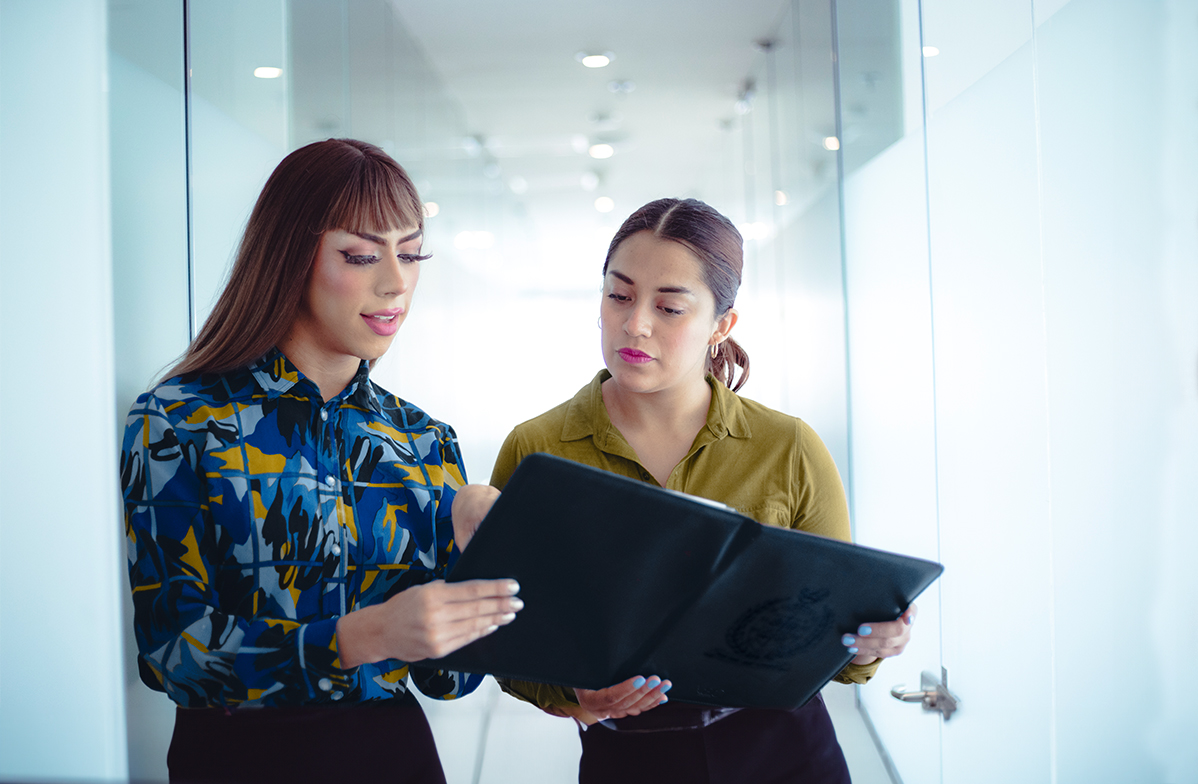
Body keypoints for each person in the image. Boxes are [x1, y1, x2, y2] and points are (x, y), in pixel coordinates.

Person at [454, 198, 916, 783]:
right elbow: (503, 639)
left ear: (722, 324)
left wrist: (874, 642)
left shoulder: (789, 447)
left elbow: (840, 649)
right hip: (628, 758)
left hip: (783, 753)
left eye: (669, 307)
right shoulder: (539, 449)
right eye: (618, 296)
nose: (635, 323)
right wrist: (573, 698)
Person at [120, 138, 520, 783]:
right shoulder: (180, 421)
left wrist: (484, 562)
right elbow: (173, 653)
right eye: (361, 255)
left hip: (397, 757)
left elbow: (450, 682)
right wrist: (364, 637)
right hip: (237, 761)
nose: (396, 282)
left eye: (412, 253)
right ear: (289, 257)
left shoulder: (423, 439)